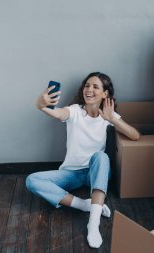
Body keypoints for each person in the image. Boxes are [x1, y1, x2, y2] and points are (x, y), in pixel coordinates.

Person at [26, 72, 140, 248]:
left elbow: (135, 135)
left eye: (95, 87)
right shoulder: (75, 111)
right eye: (87, 85)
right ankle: (84, 205)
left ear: (105, 94)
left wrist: (113, 120)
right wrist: (41, 106)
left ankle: (93, 224)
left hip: (96, 172)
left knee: (101, 156)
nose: (89, 89)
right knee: (32, 180)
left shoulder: (108, 115)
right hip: (71, 173)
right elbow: (58, 114)